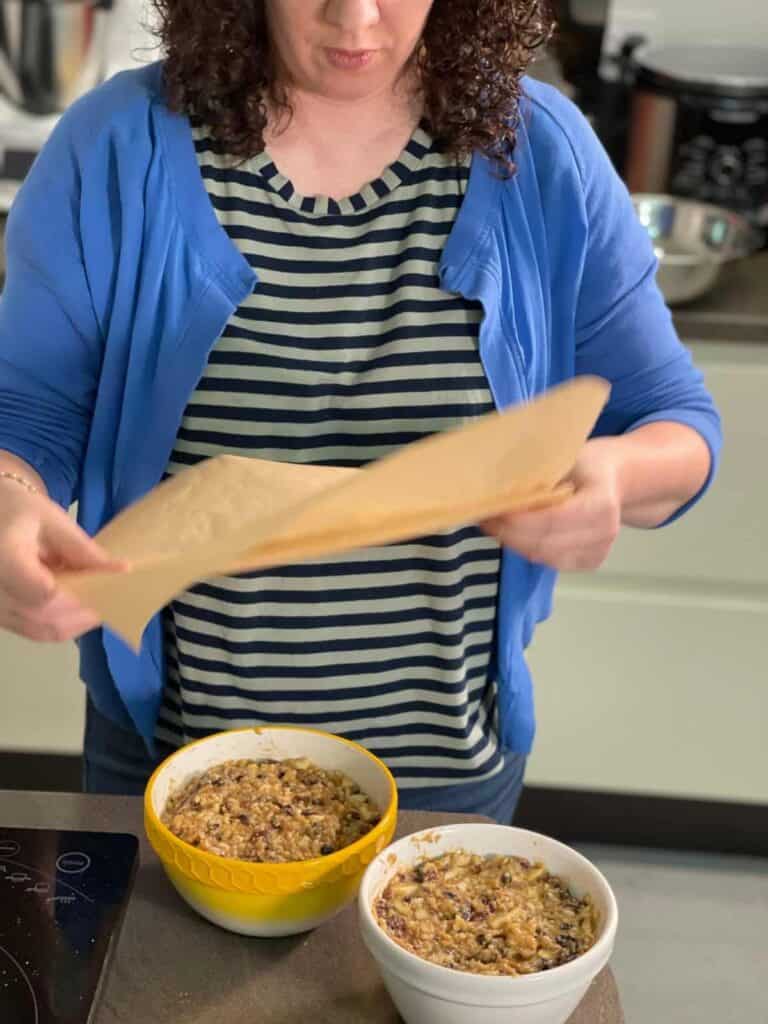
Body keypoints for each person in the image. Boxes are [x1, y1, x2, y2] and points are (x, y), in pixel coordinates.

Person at [0, 0, 720, 820]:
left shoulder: (542, 150)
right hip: (173, 768)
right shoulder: (112, 149)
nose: (357, 17)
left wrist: (616, 476)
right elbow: (27, 414)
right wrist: (8, 506)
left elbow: (674, 419)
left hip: (444, 781)